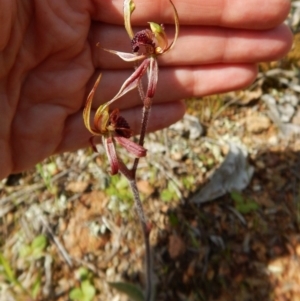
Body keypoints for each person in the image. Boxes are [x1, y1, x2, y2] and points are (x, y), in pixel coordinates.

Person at [0, 0, 292, 180]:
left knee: (146, 97)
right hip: (113, 126)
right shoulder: (109, 124)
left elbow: (140, 120)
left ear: (161, 37)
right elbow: (125, 155)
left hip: (128, 98)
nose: (110, 115)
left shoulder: (150, 60)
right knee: (139, 101)